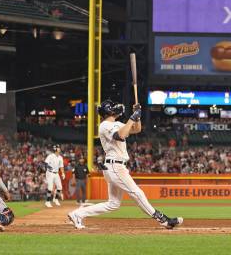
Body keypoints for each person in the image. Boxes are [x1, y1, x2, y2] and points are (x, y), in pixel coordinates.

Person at [67, 99, 183, 230]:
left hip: (116, 166)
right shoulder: (105, 125)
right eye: (112, 106)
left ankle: (77, 214)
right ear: (107, 111)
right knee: (137, 193)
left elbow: (136, 129)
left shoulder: (117, 123)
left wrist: (137, 116)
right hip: (115, 166)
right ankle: (163, 220)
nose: (116, 107)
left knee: (113, 204)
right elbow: (120, 135)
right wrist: (132, 118)